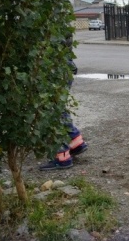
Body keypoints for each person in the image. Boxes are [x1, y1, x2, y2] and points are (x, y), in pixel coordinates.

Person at [40, 36, 88, 170]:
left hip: (54, 70)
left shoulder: (48, 21)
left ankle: (62, 156)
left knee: (52, 110)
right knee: (58, 107)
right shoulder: (59, 17)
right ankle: (75, 141)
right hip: (63, 67)